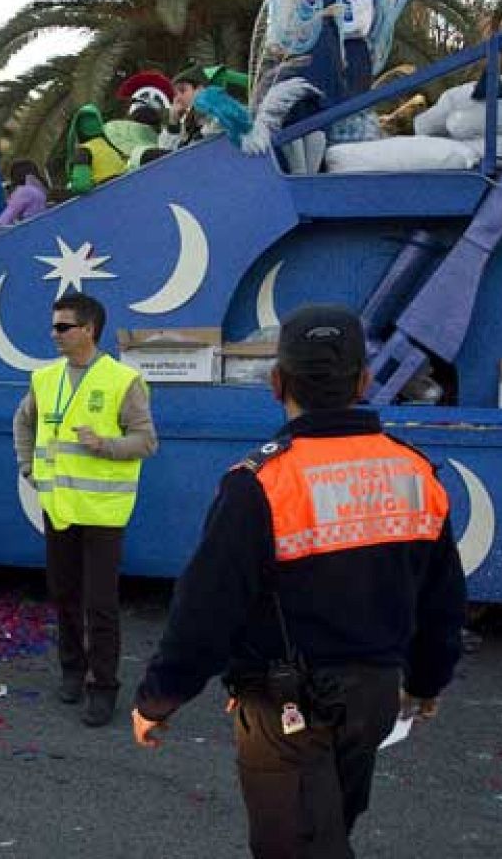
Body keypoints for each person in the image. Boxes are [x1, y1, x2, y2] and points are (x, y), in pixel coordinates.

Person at [132, 304, 466, 858]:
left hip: (284, 707)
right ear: (363, 381)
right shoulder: (414, 471)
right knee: (332, 827)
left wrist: (158, 699)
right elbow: (443, 602)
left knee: (299, 846)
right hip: (374, 700)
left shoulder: (260, 485)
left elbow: (204, 612)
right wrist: (427, 682)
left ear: (276, 382)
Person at [13, 292, 156, 726]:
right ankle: (72, 672)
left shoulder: (121, 379)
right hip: (59, 506)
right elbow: (24, 421)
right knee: (64, 596)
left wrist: (105, 445)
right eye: (54, 326)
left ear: (88, 329)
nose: (53, 334)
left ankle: (104, 687)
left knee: (100, 604)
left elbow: (147, 441)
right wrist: (26, 465)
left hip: (104, 511)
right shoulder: (44, 378)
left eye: (62, 327)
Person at [0, 161, 50, 239]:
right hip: (40, 231)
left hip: (27, 235)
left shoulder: (24, 191)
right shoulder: (40, 189)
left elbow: (4, 220)